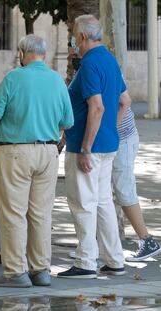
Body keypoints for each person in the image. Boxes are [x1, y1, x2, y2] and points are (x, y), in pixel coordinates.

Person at [0, 35, 74, 288]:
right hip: (48, 152)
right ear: (44, 55)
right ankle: (41, 270)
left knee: (13, 213)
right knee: (41, 214)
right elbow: (67, 122)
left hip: (15, 152)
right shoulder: (57, 80)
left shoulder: (14, 77)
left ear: (23, 53)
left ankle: (15, 272)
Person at [57, 15, 130, 279]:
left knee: (82, 204)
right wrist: (110, 129)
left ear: (83, 37)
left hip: (86, 148)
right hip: (108, 144)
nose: (74, 40)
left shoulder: (88, 65)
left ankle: (86, 262)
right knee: (103, 203)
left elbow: (96, 107)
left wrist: (87, 147)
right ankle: (114, 260)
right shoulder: (109, 60)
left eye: (74, 35)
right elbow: (125, 101)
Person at [113, 101, 161, 261]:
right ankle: (102, 244)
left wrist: (110, 130)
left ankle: (147, 241)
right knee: (111, 193)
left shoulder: (109, 74)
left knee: (124, 191)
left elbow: (125, 101)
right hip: (117, 139)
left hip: (122, 139)